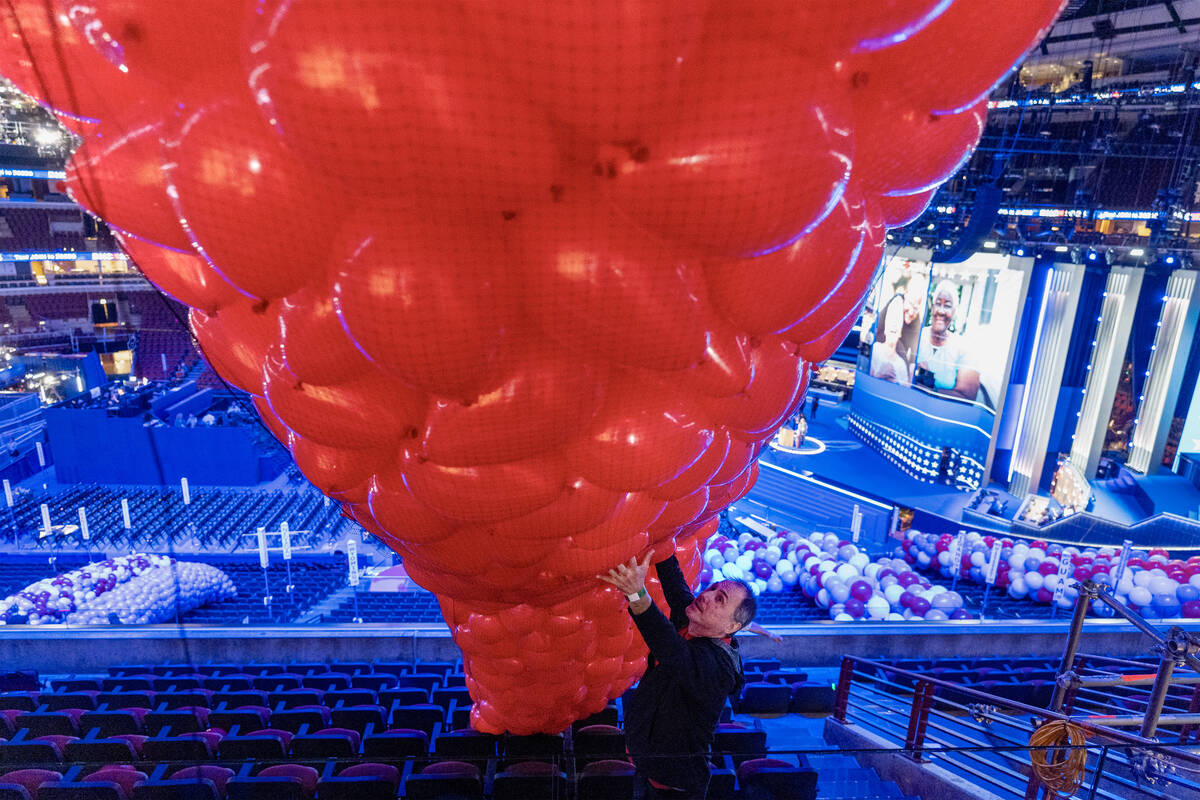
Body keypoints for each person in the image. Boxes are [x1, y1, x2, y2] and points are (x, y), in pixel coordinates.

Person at [599, 552, 756, 799]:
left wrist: (636, 593)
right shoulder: (693, 620)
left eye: (720, 599)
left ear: (731, 627)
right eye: (712, 588)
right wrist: (663, 539)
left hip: (677, 788)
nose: (705, 596)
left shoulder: (719, 668)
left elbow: (671, 649)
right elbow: (675, 584)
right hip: (647, 767)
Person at [916, 280, 981, 402]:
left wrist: (930, 390)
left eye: (947, 306)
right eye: (937, 303)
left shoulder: (965, 348)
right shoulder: (917, 336)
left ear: (954, 312)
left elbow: (967, 397)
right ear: (932, 307)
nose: (941, 311)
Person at [869, 294, 912, 386]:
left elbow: (905, 390)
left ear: (901, 332)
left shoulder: (901, 365)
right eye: (892, 318)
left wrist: (896, 382)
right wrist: (879, 375)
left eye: (898, 319)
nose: (894, 324)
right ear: (884, 327)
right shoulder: (874, 350)